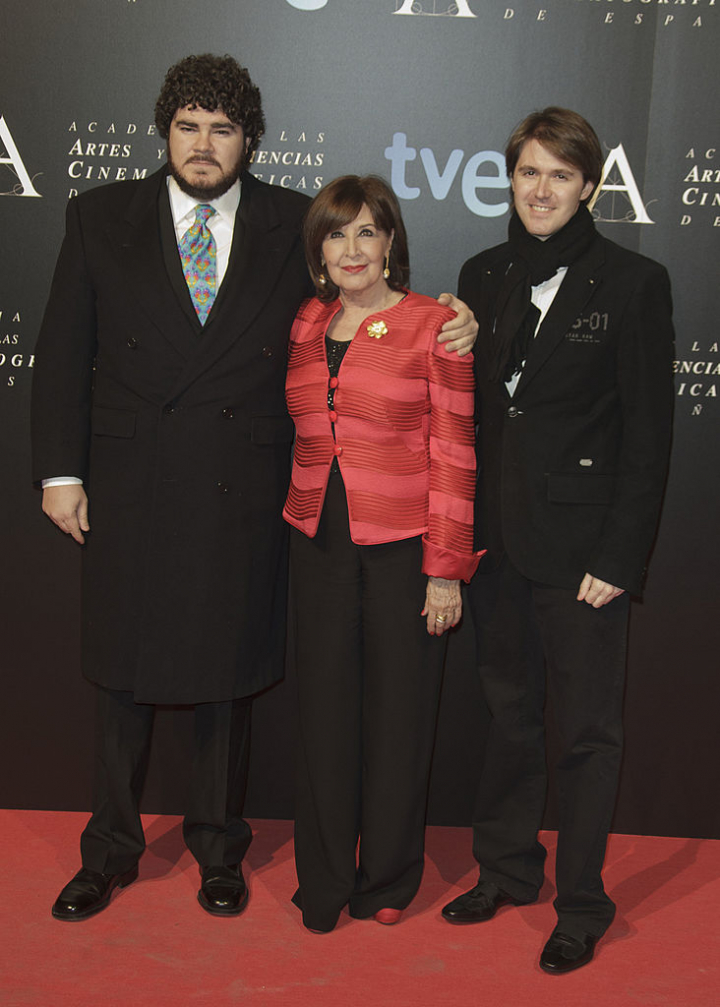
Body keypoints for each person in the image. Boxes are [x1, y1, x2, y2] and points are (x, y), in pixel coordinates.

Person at [31, 55, 478, 922]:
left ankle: (218, 848)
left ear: (249, 140)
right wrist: (60, 471)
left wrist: (456, 318)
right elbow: (61, 354)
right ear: (164, 132)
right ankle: (109, 849)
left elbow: (368, 311)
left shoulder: (292, 223)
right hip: (128, 485)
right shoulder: (98, 215)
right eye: (188, 126)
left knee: (226, 674)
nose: (204, 145)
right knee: (120, 674)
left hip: (243, 491)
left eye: (223, 129)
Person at [440, 108, 674, 972]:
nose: (540, 190)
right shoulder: (483, 272)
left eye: (560, 175)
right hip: (496, 543)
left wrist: (619, 557)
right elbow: (472, 408)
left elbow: (649, 436)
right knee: (506, 717)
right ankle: (505, 869)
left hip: (582, 557)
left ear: (589, 187)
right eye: (528, 172)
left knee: (584, 734)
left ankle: (581, 901)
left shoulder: (633, 282)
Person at [283, 175, 483, 933]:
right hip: (318, 541)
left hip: (405, 550)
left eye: (367, 231)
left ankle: (390, 876)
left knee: (400, 718)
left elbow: (455, 450)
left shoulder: (436, 324)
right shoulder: (307, 321)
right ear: (318, 251)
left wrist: (445, 569)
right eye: (336, 234)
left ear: (391, 241)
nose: (352, 248)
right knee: (323, 718)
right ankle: (324, 877)